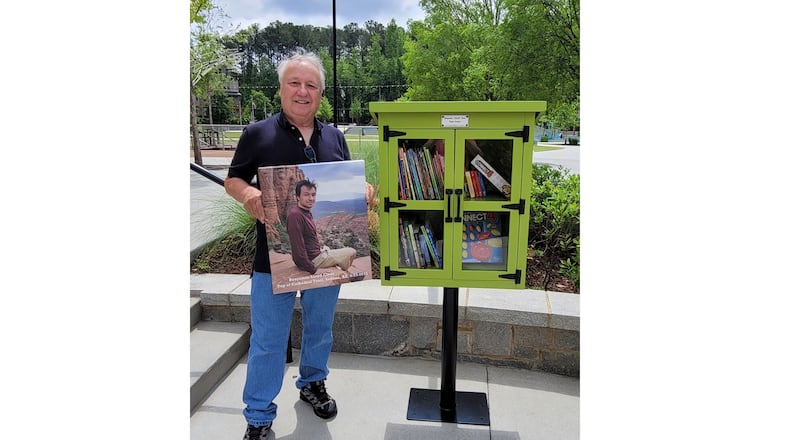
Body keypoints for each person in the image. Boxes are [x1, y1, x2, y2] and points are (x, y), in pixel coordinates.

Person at [225, 49, 373, 440]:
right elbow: (233, 180)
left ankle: (312, 384)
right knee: (268, 339)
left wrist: (364, 190)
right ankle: (258, 417)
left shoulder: (335, 137)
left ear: (320, 94)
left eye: (311, 85)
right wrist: (249, 197)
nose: (302, 91)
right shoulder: (258, 134)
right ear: (281, 89)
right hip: (268, 264)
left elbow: (348, 180)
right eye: (295, 83)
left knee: (320, 329)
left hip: (316, 261)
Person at [286, 179, 356, 274]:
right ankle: (345, 273)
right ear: (298, 197)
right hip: (314, 260)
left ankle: (340, 270)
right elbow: (298, 249)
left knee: (327, 248)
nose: (311, 198)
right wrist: (313, 270)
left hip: (316, 254)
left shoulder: (305, 212)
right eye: (306, 194)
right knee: (351, 251)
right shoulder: (295, 215)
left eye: (313, 195)